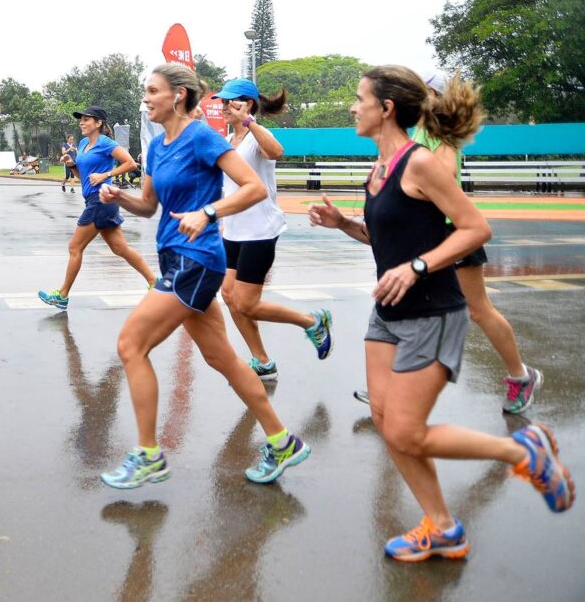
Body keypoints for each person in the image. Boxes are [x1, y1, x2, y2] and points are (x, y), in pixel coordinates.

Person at [309, 65, 573, 562]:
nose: (352, 106)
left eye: (359, 98)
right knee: (388, 424)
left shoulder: (421, 163)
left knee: (407, 430)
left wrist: (418, 266)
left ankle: (523, 451)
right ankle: (444, 526)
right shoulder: (379, 168)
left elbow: (476, 228)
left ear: (385, 109)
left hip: (432, 312)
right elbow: (385, 239)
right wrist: (343, 222)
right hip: (387, 314)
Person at [98, 63, 310, 489]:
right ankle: (282, 440)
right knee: (223, 359)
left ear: (178, 94)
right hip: (174, 257)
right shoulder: (157, 147)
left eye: (152, 90)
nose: (146, 98)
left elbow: (252, 187)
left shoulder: (201, 137)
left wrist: (208, 211)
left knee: (130, 344)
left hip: (198, 260)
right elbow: (148, 206)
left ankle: (148, 454)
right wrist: (119, 196)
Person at [354, 70, 542, 413]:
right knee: (406, 303)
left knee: (477, 309)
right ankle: (392, 383)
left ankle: (520, 375)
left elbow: (446, 190)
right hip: (426, 237)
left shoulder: (442, 140)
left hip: (450, 236)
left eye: (426, 92)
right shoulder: (415, 133)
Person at [211, 79, 332, 381]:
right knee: (229, 296)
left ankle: (311, 322)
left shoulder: (256, 136)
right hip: (233, 230)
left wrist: (248, 122)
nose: (224, 107)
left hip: (260, 229)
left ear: (248, 104)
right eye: (222, 102)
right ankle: (262, 360)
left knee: (247, 303)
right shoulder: (227, 140)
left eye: (231, 101)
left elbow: (276, 151)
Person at [38, 106, 157, 311]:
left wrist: (105, 175)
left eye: (86, 120)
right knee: (120, 248)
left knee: (75, 247)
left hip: (100, 200)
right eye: (81, 120)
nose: (81, 123)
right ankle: (156, 284)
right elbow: (83, 178)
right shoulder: (83, 144)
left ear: (99, 123)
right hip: (96, 199)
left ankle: (63, 295)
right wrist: (72, 164)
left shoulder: (106, 143)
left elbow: (130, 164)